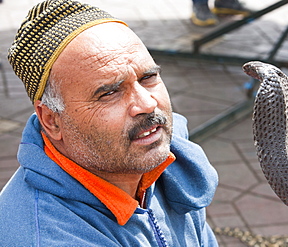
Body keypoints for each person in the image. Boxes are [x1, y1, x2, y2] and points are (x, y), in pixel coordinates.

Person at [0, 0, 218, 246]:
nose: (147, 104)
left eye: (148, 77)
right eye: (109, 93)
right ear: (52, 120)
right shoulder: (48, 237)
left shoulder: (172, 160)